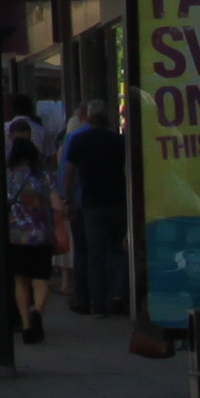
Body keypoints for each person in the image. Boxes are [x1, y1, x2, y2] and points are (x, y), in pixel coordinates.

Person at [58, 102, 131, 320]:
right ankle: (119, 295)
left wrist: (69, 199)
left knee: (95, 255)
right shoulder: (118, 140)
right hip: (117, 202)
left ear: (88, 118)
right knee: (117, 250)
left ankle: (97, 304)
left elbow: (69, 173)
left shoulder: (79, 140)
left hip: (91, 204)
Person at [0, 117, 57, 349]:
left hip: (15, 235)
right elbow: (57, 204)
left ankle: (24, 323)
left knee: (20, 280)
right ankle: (38, 312)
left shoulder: (8, 176)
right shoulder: (44, 176)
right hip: (41, 236)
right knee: (41, 279)